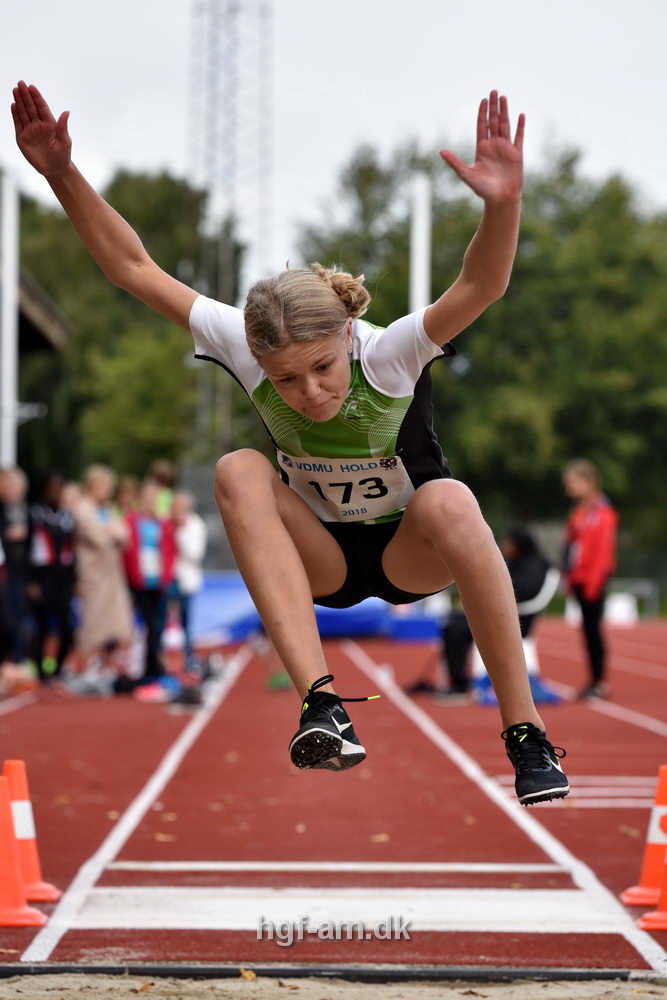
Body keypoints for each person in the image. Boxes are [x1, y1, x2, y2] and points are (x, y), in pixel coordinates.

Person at [11, 81, 569, 805]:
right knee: (239, 468)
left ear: (347, 334)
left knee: (451, 499)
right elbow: (133, 268)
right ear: (257, 357)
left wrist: (503, 204)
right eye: (285, 378)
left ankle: (525, 735)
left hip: (411, 551)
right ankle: (321, 705)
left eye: (322, 369)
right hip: (320, 555)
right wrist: (62, 173)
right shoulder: (242, 344)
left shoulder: (389, 352)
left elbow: (481, 284)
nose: (308, 392)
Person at [435, 527, 557, 700]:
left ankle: (459, 685)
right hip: (499, 614)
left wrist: (481, 601)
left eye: (509, 542)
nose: (505, 546)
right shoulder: (517, 562)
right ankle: (457, 681)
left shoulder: (534, 566)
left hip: (513, 620)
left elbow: (519, 592)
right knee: (453, 621)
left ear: (519, 544)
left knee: (456, 629)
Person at [70, 464, 134, 678]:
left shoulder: (107, 509)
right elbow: (99, 538)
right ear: (92, 485)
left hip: (113, 574)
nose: (108, 490)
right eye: (105, 485)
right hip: (93, 575)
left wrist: (114, 533)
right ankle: (85, 667)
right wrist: (113, 532)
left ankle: (106, 668)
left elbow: (125, 535)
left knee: (116, 625)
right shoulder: (82, 508)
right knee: (93, 623)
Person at [562, 459, 618, 699]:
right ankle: (593, 680)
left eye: (572, 483)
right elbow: (571, 547)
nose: (569, 489)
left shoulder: (603, 513)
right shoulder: (578, 513)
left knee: (593, 630)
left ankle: (599, 682)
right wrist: (569, 576)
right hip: (579, 580)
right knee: (587, 630)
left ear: (588, 482)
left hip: (593, 581)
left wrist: (593, 584)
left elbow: (602, 552)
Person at [123, 479, 176, 682]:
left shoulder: (162, 524)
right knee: (148, 625)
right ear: (140, 499)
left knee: (158, 625)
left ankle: (154, 667)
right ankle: (150, 668)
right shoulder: (131, 521)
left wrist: (166, 576)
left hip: (158, 579)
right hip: (140, 580)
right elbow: (127, 552)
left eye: (153, 498)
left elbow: (170, 551)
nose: (150, 501)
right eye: (146, 498)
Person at [28, 472, 76, 681]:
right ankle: (40, 670)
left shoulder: (67, 517)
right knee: (42, 625)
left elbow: (72, 550)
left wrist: (74, 580)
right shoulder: (35, 514)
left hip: (63, 579)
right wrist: (32, 581)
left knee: (67, 626)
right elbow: (29, 549)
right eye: (52, 489)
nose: (56, 493)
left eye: (59, 489)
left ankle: (57, 668)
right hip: (43, 577)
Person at [168, 491, 207, 673]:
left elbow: (195, 554)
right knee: (163, 621)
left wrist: (181, 531)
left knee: (185, 621)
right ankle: (165, 661)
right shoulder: (166, 523)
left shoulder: (195, 525)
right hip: (167, 578)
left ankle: (188, 658)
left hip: (185, 579)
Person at [0, 466, 32, 665]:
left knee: (20, 619)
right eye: (8, 484)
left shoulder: (27, 512)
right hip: (5, 573)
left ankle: (17, 661)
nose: (12, 489)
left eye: (15, 485)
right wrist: (7, 534)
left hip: (21, 574)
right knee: (7, 621)